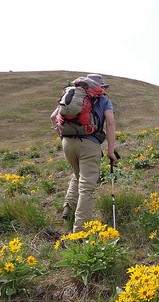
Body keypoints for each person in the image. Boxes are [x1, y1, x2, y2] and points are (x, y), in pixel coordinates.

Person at [50, 73, 117, 233]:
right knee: (86, 187)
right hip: (89, 143)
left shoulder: (71, 95)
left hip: (67, 142)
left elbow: (53, 117)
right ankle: (79, 232)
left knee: (77, 175)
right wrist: (110, 151)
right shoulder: (103, 100)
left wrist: (63, 138)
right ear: (99, 87)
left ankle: (68, 208)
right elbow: (110, 122)